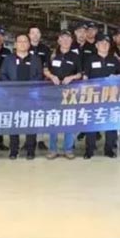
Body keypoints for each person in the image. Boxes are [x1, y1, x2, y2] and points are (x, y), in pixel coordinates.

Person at [0, 34, 43, 159]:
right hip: (13, 96)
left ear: (29, 44)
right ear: (15, 44)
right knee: (14, 123)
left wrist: (30, 87)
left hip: (30, 96)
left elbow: (39, 75)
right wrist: (12, 86)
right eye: (20, 41)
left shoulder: (35, 59)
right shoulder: (9, 59)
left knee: (31, 123)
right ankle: (14, 150)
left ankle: (30, 150)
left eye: (25, 41)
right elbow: (3, 74)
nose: (23, 44)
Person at [43, 30, 82, 159]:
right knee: (53, 119)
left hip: (70, 92)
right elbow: (45, 69)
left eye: (68, 38)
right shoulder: (52, 55)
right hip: (53, 91)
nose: (65, 40)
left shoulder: (75, 56)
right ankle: (53, 149)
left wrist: (71, 77)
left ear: (71, 41)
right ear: (59, 40)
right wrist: (51, 76)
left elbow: (80, 73)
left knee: (68, 119)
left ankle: (68, 149)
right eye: (63, 38)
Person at [82, 33, 120, 159]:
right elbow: (85, 77)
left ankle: (109, 149)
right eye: (102, 43)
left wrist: (116, 77)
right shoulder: (90, 59)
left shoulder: (113, 60)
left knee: (110, 123)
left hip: (111, 96)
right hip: (94, 96)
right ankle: (89, 149)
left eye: (107, 43)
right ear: (97, 45)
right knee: (92, 123)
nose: (104, 45)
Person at [28, 25, 52, 151]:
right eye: (33, 32)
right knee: (28, 111)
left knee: (40, 111)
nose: (35, 35)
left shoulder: (45, 49)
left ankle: (40, 139)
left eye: (37, 32)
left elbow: (48, 65)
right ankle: (28, 140)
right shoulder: (25, 47)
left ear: (40, 35)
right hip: (27, 84)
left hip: (42, 83)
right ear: (29, 35)